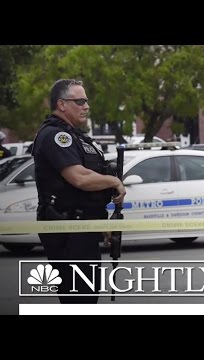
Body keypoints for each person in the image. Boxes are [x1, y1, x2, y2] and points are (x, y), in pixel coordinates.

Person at [33, 79, 126, 304]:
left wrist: (100, 222)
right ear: (62, 104)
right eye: (80, 101)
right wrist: (114, 183)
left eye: (86, 101)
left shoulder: (76, 136)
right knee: (79, 300)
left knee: (87, 298)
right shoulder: (56, 136)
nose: (86, 106)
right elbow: (79, 178)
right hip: (67, 229)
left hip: (82, 228)